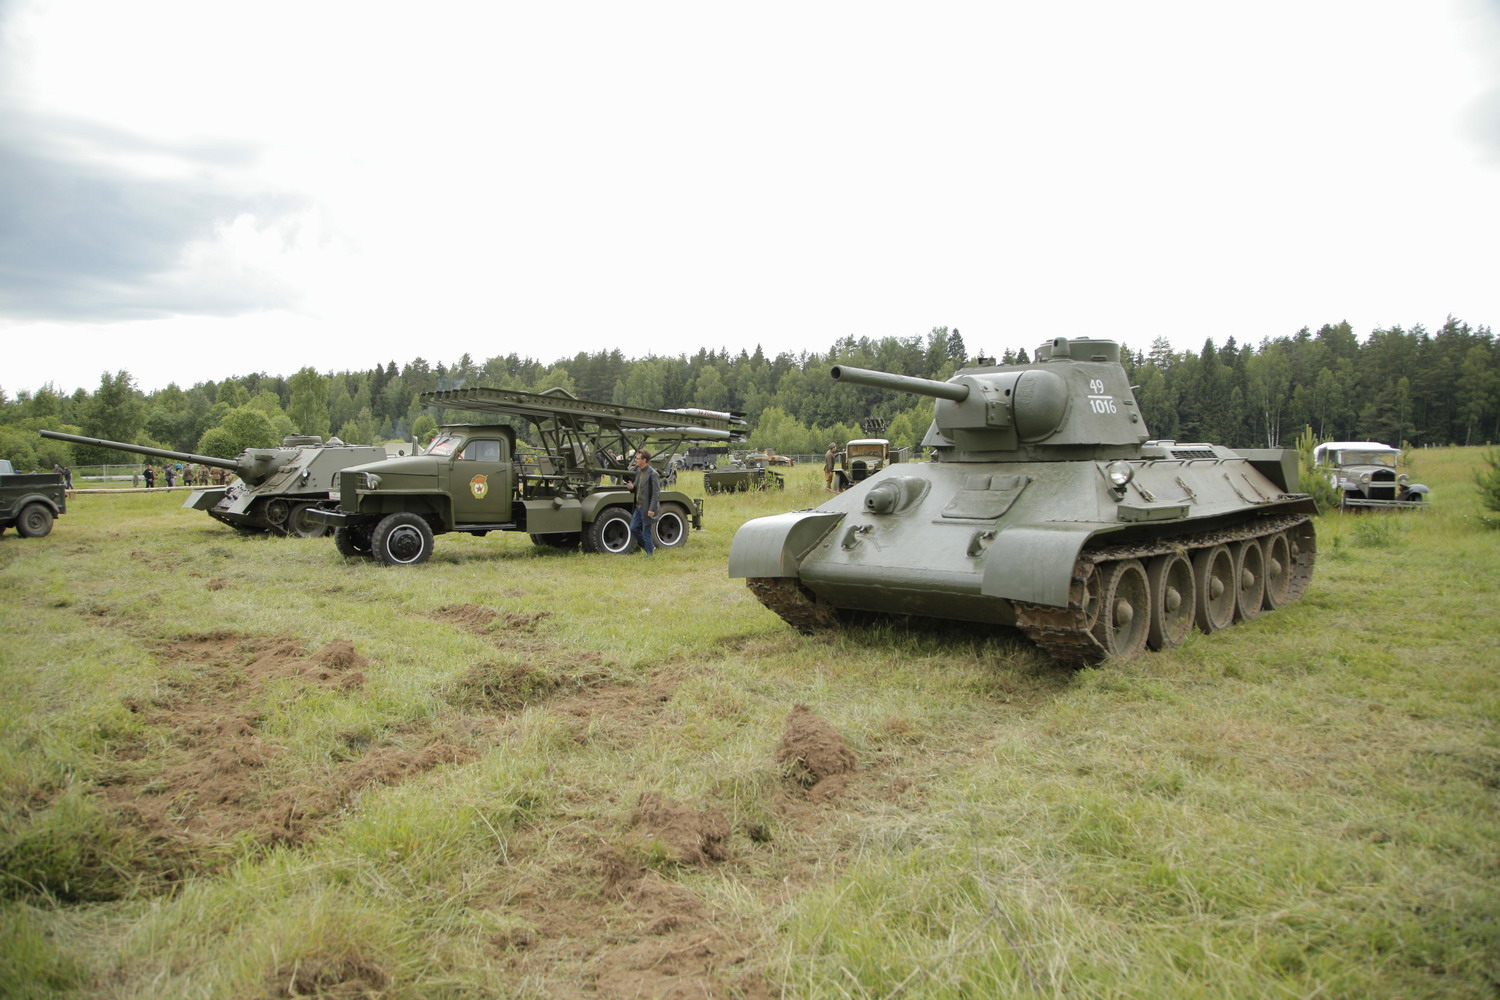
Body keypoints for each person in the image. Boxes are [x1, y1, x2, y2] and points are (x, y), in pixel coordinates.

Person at [629, 448, 660, 556]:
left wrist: (651, 509)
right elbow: (637, 488)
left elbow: (656, 494)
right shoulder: (639, 471)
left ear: (644, 460)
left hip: (646, 507)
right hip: (638, 507)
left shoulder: (653, 474)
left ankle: (650, 554)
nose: (636, 460)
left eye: (638, 458)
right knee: (633, 528)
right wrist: (632, 487)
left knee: (646, 532)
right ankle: (649, 547)